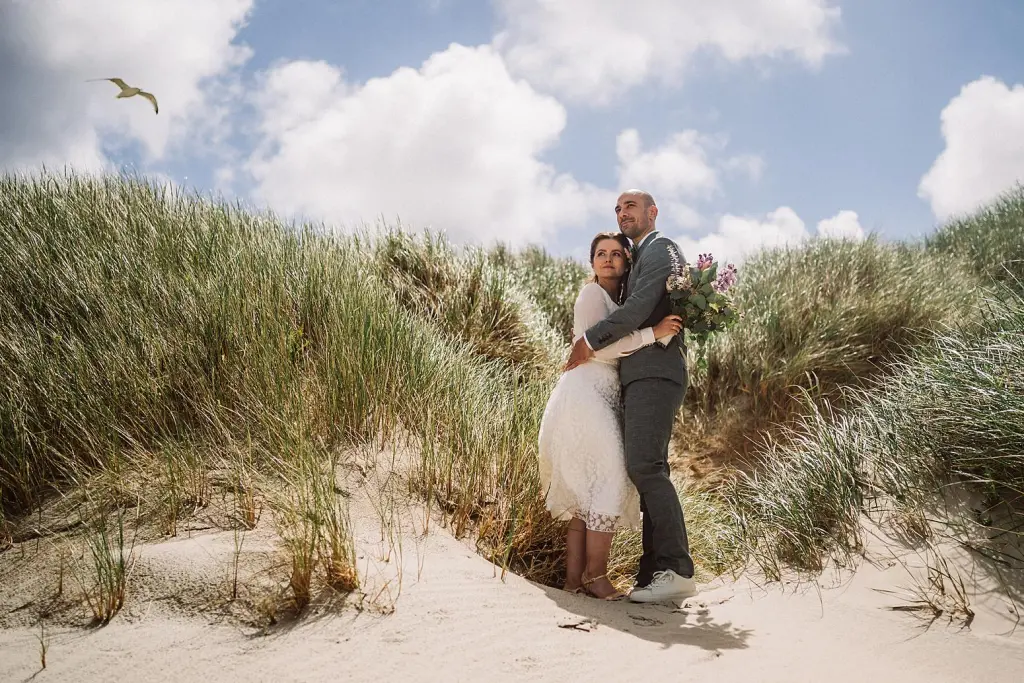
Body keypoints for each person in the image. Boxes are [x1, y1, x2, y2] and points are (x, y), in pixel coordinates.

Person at [563, 189, 698, 604]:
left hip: (655, 373)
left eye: (631, 207)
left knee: (645, 466)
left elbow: (639, 308)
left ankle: (676, 568)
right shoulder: (638, 259)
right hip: (635, 378)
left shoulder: (661, 249)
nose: (623, 213)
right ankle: (655, 570)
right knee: (648, 468)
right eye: (618, 208)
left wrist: (589, 340)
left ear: (652, 212)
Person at [538, 231, 683, 600]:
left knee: (589, 492)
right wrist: (654, 333)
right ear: (591, 263)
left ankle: (575, 582)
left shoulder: (617, 302)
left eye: (616, 254)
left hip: (600, 395)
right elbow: (598, 350)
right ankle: (596, 577)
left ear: (626, 262)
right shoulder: (591, 295)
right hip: (586, 394)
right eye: (600, 254)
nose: (607, 259)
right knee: (613, 478)